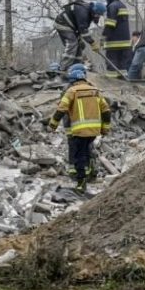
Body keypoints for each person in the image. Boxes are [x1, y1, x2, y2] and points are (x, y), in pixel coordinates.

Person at [48, 64, 111, 193]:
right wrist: (105, 128)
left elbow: (61, 108)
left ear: (72, 80)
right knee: (87, 151)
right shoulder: (95, 91)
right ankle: (90, 173)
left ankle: (81, 182)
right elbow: (106, 110)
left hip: (79, 130)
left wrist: (53, 124)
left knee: (79, 155)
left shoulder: (71, 91)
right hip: (94, 130)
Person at [54, 0, 106, 71]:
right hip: (63, 24)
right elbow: (83, 30)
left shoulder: (90, 12)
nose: (98, 17)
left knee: (80, 45)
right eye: (97, 14)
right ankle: (63, 68)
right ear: (94, 11)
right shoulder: (83, 12)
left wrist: (81, 39)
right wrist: (92, 43)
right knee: (72, 43)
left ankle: (75, 66)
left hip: (72, 27)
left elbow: (81, 28)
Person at [101, 0, 133, 78]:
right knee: (123, 66)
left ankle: (112, 84)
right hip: (125, 43)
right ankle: (123, 83)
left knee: (112, 64)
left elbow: (110, 24)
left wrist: (103, 37)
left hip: (113, 43)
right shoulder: (123, 6)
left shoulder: (112, 7)